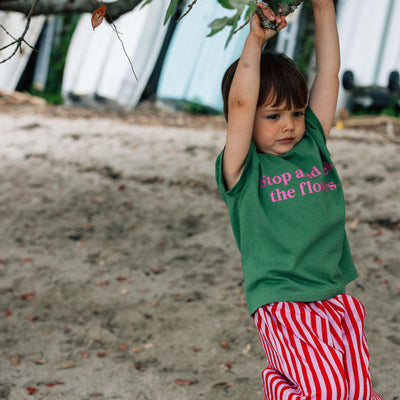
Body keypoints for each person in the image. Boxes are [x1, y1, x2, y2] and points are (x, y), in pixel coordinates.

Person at [215, 1, 384, 399]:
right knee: (325, 392)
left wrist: (324, 8)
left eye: (295, 112)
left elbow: (329, 73)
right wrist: (255, 41)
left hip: (334, 296)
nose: (288, 124)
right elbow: (241, 104)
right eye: (272, 116)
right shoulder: (243, 170)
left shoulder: (312, 144)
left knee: (356, 391)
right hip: (284, 304)